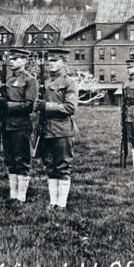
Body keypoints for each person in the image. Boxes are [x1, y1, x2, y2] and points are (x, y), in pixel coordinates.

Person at [34, 49, 79, 210]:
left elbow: (70, 107)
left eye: (55, 61)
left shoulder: (69, 83)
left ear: (64, 63)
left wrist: (46, 106)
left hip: (62, 130)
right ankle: (53, 202)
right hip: (45, 130)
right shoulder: (44, 83)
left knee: (63, 166)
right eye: (49, 61)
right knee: (49, 165)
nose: (50, 64)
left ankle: (62, 203)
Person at [0, 48, 39, 204]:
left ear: (24, 61)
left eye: (15, 59)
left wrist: (7, 105)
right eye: (11, 59)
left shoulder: (30, 80)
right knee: (10, 160)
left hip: (21, 125)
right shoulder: (8, 80)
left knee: (21, 160)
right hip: (7, 124)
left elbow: (29, 105)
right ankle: (13, 194)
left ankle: (21, 196)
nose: (12, 61)